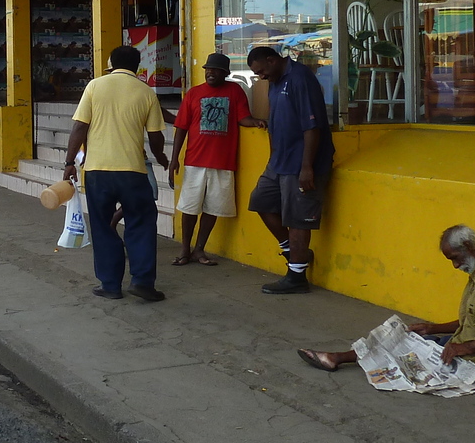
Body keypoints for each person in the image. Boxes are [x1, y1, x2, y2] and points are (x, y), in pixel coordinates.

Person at [297, 225, 475, 380]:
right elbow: (472, 321)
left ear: (469, 246)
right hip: (458, 343)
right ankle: (338, 357)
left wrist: (467, 347)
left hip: (473, 357)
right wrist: (432, 327)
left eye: (455, 258)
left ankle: (336, 358)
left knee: (401, 348)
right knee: (406, 335)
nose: (455, 265)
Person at [64, 44, 169, 302]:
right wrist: (161, 157)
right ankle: (142, 282)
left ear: (111, 63)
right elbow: (156, 135)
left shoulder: (94, 86)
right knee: (141, 223)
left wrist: (69, 163)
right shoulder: (146, 92)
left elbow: (79, 127)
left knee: (102, 226)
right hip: (133, 171)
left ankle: (110, 285)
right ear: (137, 66)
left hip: (98, 171)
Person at [246, 45, 334, 294]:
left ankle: (297, 276)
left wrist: (307, 167)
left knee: (298, 219)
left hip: (301, 163)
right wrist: (273, 157)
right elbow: (275, 122)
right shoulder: (274, 80)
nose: (260, 77)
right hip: (279, 161)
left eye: (261, 71)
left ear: (272, 60)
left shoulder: (299, 78)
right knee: (260, 201)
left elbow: (312, 127)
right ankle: (294, 251)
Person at [169, 53, 266, 267]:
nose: (210, 73)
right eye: (207, 69)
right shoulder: (194, 94)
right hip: (195, 160)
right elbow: (181, 128)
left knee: (213, 208)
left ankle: (199, 249)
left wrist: (257, 122)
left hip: (223, 162)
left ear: (225, 73)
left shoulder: (234, 91)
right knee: (189, 207)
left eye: (215, 70)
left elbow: (243, 118)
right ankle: (185, 249)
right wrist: (173, 159)